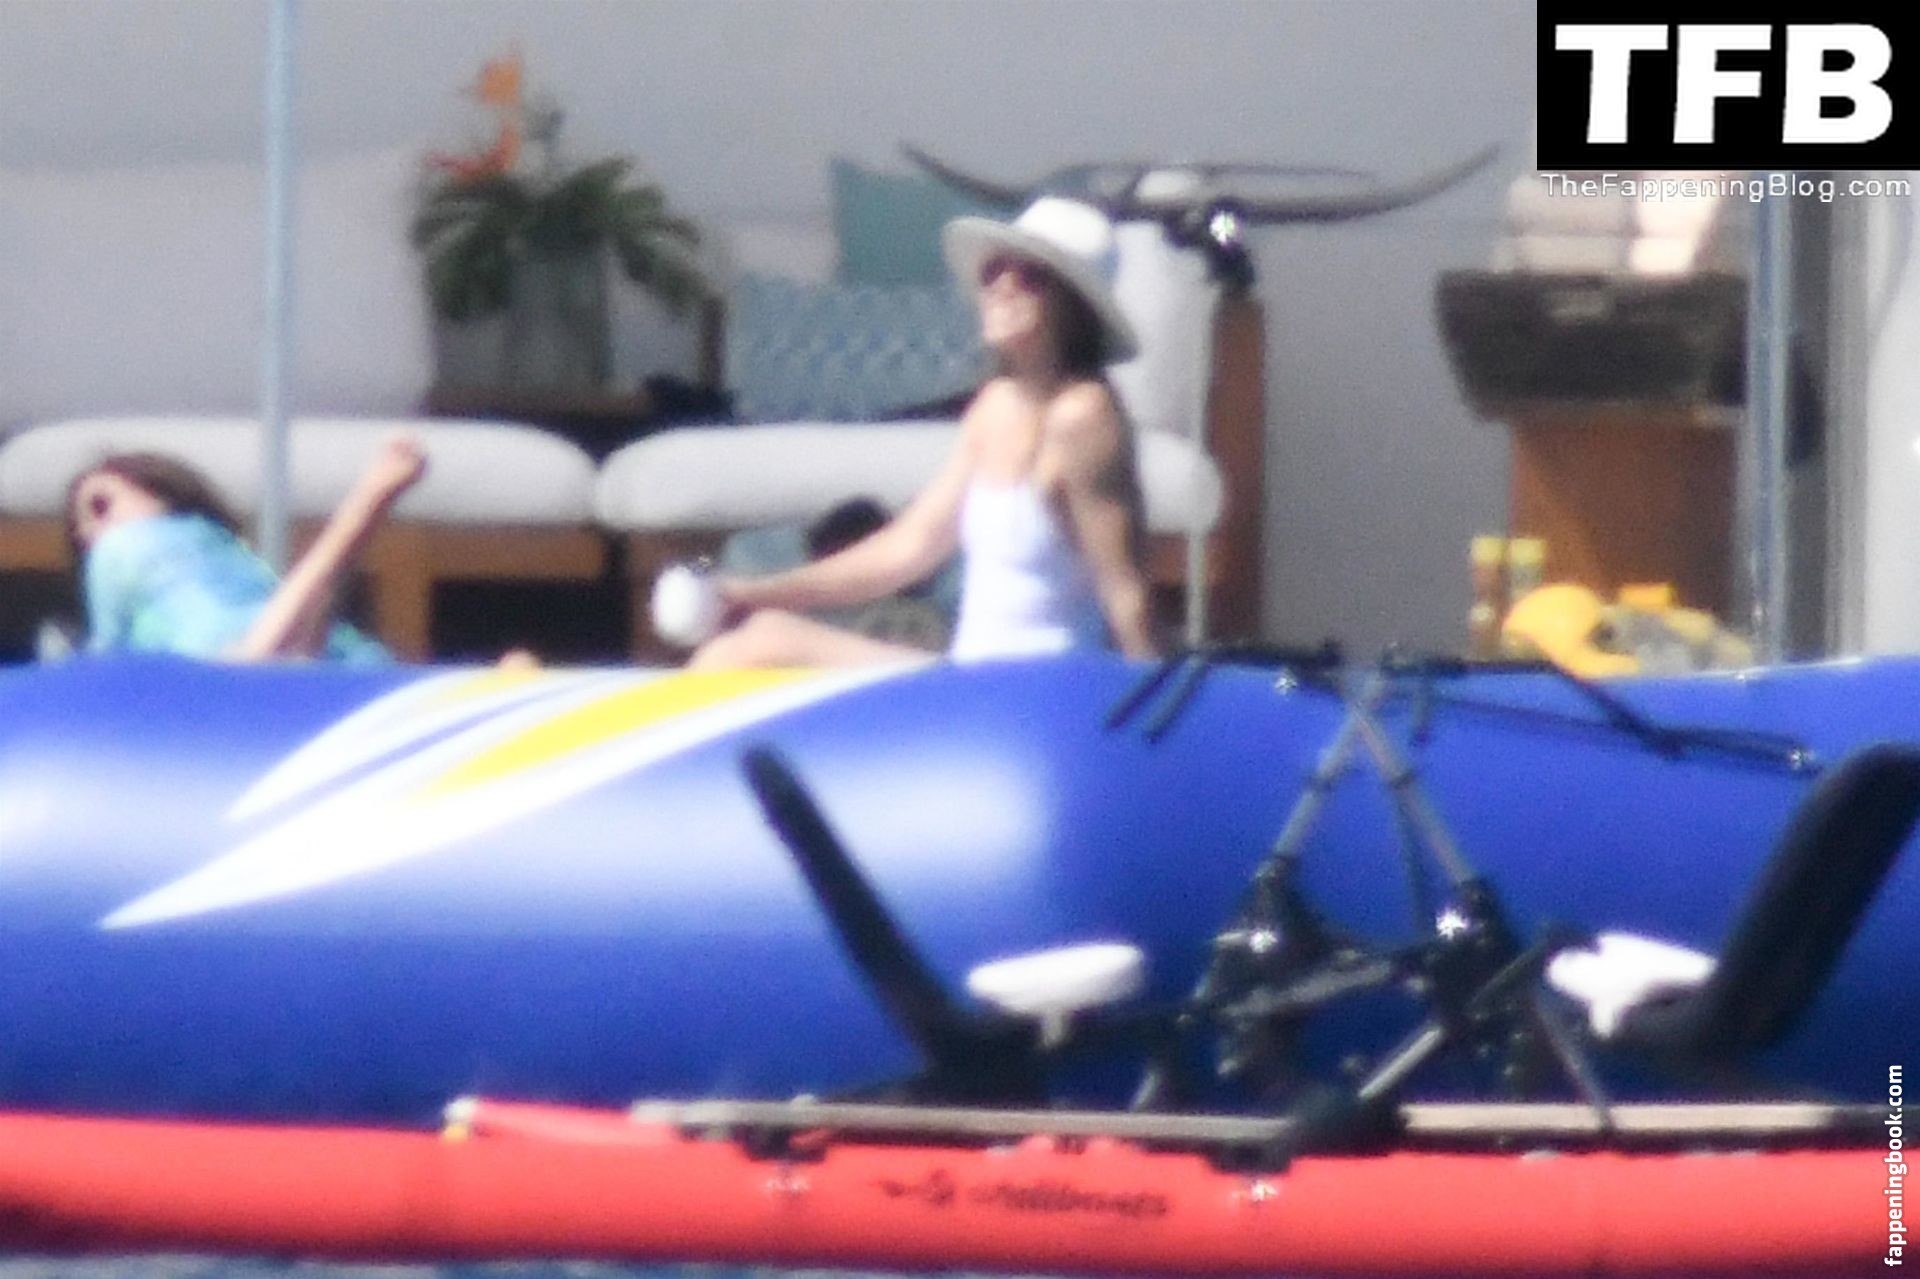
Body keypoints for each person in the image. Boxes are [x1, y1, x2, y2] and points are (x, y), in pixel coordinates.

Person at [690, 196, 1161, 669]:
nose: (1002, 286)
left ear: (1073, 305)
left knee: (756, 649)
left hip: (1039, 688)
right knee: (764, 634)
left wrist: (1153, 688)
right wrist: (760, 594)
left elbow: (1123, 587)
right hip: (969, 677)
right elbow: (908, 548)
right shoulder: (995, 404)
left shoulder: (1082, 415)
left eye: (1031, 276)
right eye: (994, 271)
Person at [65, 435, 427, 663]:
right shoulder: (225, 547)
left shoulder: (123, 545)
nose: (88, 533)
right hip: (350, 665)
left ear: (160, 493)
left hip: (226, 666)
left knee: (258, 660)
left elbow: (106, 658)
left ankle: (364, 506)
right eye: (78, 528)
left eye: (100, 506)